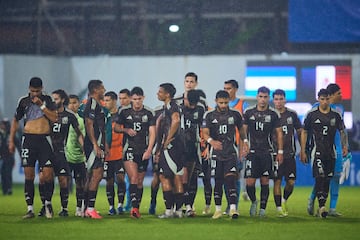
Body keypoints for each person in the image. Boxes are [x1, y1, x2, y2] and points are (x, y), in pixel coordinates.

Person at [8, 77, 58, 219]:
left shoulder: (48, 100)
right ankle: (30, 209)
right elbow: (15, 120)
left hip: (44, 140)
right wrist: (11, 140)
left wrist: (42, 106)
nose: (34, 94)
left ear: (42, 88)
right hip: (29, 140)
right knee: (29, 175)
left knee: (48, 174)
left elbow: (54, 118)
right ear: (29, 88)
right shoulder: (23, 101)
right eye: (32, 91)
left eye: (37, 91)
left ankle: (47, 203)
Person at [301, 88, 348, 218]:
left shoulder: (336, 114)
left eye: (327, 99)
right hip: (317, 151)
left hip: (331, 152)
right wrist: (303, 150)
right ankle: (322, 207)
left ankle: (319, 205)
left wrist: (344, 146)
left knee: (327, 178)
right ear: (318, 99)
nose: (325, 102)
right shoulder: (312, 114)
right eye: (322, 99)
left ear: (330, 99)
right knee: (320, 176)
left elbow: (342, 131)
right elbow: (304, 131)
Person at [202, 90, 246, 219]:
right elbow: (205, 133)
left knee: (231, 179)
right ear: (216, 101)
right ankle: (218, 210)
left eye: (226, 103)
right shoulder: (209, 115)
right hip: (215, 153)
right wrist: (211, 141)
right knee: (218, 181)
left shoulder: (235, 114)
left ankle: (233, 209)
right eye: (221, 102)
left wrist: (246, 142)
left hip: (231, 152)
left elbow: (242, 131)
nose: (223, 105)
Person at [115, 86, 156, 219]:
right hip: (129, 149)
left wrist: (149, 150)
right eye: (134, 99)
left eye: (139, 99)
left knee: (139, 181)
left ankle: (136, 207)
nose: (137, 102)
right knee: (133, 178)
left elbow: (152, 133)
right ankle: (134, 209)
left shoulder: (149, 113)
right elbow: (115, 127)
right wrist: (126, 130)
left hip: (143, 151)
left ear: (143, 98)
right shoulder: (124, 112)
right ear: (131, 99)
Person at [242, 86, 283, 217]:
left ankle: (262, 210)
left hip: (267, 152)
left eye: (265, 97)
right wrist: (244, 145)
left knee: (265, 181)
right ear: (257, 97)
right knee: (250, 183)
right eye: (260, 96)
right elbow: (243, 131)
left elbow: (279, 133)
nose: (263, 99)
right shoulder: (248, 112)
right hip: (252, 152)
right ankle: (254, 201)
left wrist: (280, 151)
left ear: (268, 98)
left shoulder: (273, 114)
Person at [46, 89, 84, 217]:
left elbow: (78, 133)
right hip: (47, 151)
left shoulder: (69, 116)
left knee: (63, 181)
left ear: (62, 100)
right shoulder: (47, 113)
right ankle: (46, 205)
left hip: (61, 152)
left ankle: (64, 208)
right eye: (52, 99)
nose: (53, 101)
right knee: (45, 178)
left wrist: (84, 147)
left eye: (56, 98)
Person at [155, 83, 185, 218]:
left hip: (171, 147)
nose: (158, 94)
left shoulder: (172, 106)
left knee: (164, 176)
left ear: (167, 94)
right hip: (180, 146)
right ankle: (178, 211)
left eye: (160, 92)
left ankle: (168, 211)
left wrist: (167, 139)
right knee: (177, 176)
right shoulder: (171, 106)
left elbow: (176, 121)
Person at [272, 89, 302, 217]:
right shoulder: (270, 115)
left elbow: (300, 131)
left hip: (290, 153)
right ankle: (279, 208)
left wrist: (303, 149)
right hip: (274, 154)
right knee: (277, 181)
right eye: (276, 99)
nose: (278, 102)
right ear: (273, 100)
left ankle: (284, 200)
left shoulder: (292, 114)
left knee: (291, 182)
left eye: (281, 99)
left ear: (285, 100)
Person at [223, 79, 249, 215]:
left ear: (235, 89)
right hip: (223, 148)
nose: (227, 91)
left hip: (236, 146)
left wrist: (244, 144)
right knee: (224, 177)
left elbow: (244, 127)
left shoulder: (242, 105)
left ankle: (233, 206)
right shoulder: (221, 105)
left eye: (229, 88)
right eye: (225, 88)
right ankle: (228, 204)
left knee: (235, 176)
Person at [83, 79, 107, 219]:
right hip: (93, 144)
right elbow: (89, 124)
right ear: (96, 90)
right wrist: (95, 144)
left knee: (93, 175)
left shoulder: (96, 104)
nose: (104, 90)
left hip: (96, 144)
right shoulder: (92, 102)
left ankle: (86, 208)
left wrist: (104, 145)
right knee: (97, 174)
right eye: (102, 88)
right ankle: (90, 209)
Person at [179, 89, 205, 217]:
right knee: (182, 176)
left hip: (194, 148)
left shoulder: (201, 110)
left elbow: (205, 127)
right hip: (180, 148)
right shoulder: (178, 109)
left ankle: (189, 206)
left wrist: (205, 143)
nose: (193, 106)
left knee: (192, 178)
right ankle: (179, 206)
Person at [103, 91, 126, 215]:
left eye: (108, 100)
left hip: (120, 153)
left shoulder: (121, 114)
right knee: (109, 180)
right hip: (107, 154)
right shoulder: (103, 115)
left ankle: (120, 204)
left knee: (120, 178)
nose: (105, 103)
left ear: (114, 100)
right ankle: (111, 206)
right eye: (105, 100)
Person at [65, 94, 87, 217]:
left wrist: (85, 150)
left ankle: (79, 207)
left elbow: (82, 137)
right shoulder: (64, 118)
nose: (72, 105)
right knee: (65, 181)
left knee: (80, 183)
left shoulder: (81, 120)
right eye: (70, 103)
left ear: (78, 104)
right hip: (67, 156)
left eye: (74, 103)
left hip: (80, 157)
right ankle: (65, 207)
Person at [118, 88, 132, 212]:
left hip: (130, 149)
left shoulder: (132, 112)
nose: (122, 101)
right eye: (120, 98)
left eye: (124, 98)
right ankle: (122, 203)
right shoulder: (118, 113)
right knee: (119, 178)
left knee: (130, 178)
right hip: (117, 150)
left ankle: (129, 203)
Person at [148, 105, 163, 215]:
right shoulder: (156, 111)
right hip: (158, 150)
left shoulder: (176, 111)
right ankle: (153, 201)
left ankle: (173, 206)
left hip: (174, 151)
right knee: (157, 178)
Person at [0, 119, 20, 195]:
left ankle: (9, 188)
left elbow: (18, 144)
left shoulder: (11, 134)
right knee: (3, 173)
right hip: (2, 157)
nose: (2, 125)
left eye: (3, 124)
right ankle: (4, 189)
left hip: (9, 157)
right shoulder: (1, 134)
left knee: (8, 173)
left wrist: (22, 154)